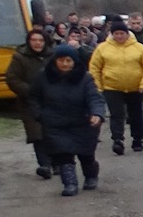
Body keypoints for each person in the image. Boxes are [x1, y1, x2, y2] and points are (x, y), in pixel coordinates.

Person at [33, 44, 105, 196]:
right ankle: (70, 183)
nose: (64, 64)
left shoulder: (85, 78)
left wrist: (97, 114)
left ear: (74, 61)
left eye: (68, 60)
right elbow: (34, 98)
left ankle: (91, 175)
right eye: (61, 60)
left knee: (86, 154)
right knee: (63, 154)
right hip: (55, 123)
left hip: (82, 122)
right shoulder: (43, 77)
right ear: (55, 61)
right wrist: (39, 114)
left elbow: (94, 98)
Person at [91, 15, 143, 155]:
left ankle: (137, 139)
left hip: (135, 87)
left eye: (122, 33)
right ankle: (118, 140)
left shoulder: (139, 48)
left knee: (136, 114)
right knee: (116, 115)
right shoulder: (102, 48)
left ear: (127, 33)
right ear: (112, 34)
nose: (119, 36)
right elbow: (95, 67)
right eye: (116, 34)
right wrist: (98, 86)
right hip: (111, 87)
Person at [5, 26, 54, 178]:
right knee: (37, 134)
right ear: (28, 42)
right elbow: (12, 79)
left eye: (40, 40)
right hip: (29, 102)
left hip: (54, 101)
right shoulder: (19, 57)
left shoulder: (54, 55)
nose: (37, 43)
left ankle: (59, 162)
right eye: (34, 40)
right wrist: (31, 91)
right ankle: (44, 165)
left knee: (54, 132)